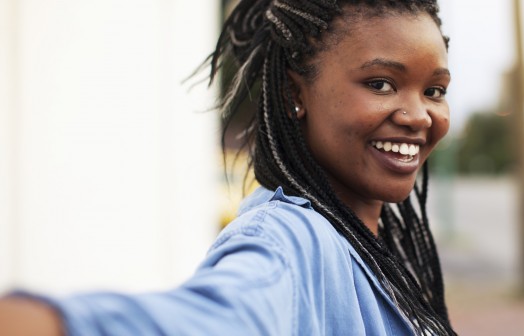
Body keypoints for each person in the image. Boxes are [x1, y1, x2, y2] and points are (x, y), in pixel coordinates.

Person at [0, 0, 455, 334]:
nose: (418, 115)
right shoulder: (291, 239)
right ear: (294, 95)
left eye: (434, 90)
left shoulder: (375, 242)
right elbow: (218, 320)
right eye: (381, 84)